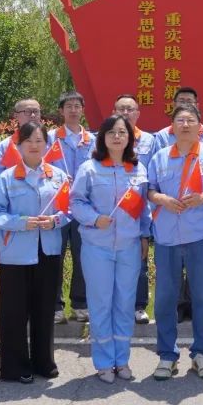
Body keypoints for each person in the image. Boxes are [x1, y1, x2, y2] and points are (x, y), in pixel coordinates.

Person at [145, 104, 203, 381]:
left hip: (200, 235)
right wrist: (162, 199)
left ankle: (202, 353)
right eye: (180, 120)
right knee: (165, 298)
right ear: (172, 126)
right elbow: (150, 190)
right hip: (167, 236)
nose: (185, 125)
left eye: (190, 120)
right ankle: (167, 356)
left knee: (202, 296)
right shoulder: (160, 157)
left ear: (199, 126)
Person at [0, 121, 70, 383]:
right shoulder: (7, 177)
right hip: (16, 253)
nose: (34, 145)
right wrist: (20, 222)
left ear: (47, 144)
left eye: (39, 140)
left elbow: (69, 209)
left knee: (44, 310)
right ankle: (16, 366)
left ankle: (44, 362)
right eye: (28, 141)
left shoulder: (58, 176)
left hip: (48, 250)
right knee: (13, 312)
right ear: (19, 145)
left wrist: (55, 221)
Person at [70, 114, 152, 383]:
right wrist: (95, 218)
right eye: (111, 132)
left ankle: (122, 360)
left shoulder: (138, 169)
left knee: (125, 304)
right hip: (97, 246)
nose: (117, 137)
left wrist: (144, 236)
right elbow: (76, 202)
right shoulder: (90, 168)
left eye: (122, 132)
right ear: (102, 138)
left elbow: (143, 208)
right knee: (101, 303)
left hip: (129, 246)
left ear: (129, 138)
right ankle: (104, 362)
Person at [47, 92, 95, 325]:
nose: (73, 110)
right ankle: (55, 306)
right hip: (57, 207)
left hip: (84, 206)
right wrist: (57, 177)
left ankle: (80, 303)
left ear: (83, 110)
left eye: (77, 106)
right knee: (54, 256)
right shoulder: (50, 138)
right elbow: (41, 166)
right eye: (69, 106)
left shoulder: (93, 140)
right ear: (61, 111)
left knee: (82, 255)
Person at [113, 93, 159, 325]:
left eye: (130, 109)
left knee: (140, 258)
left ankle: (139, 305)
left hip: (141, 208)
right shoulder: (106, 139)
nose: (125, 113)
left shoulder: (150, 140)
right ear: (114, 113)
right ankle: (114, 305)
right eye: (121, 109)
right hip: (112, 210)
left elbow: (156, 171)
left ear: (138, 114)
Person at [0, 98, 42, 170]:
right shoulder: (4, 146)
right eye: (27, 111)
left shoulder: (51, 142)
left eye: (36, 111)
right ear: (16, 116)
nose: (33, 115)